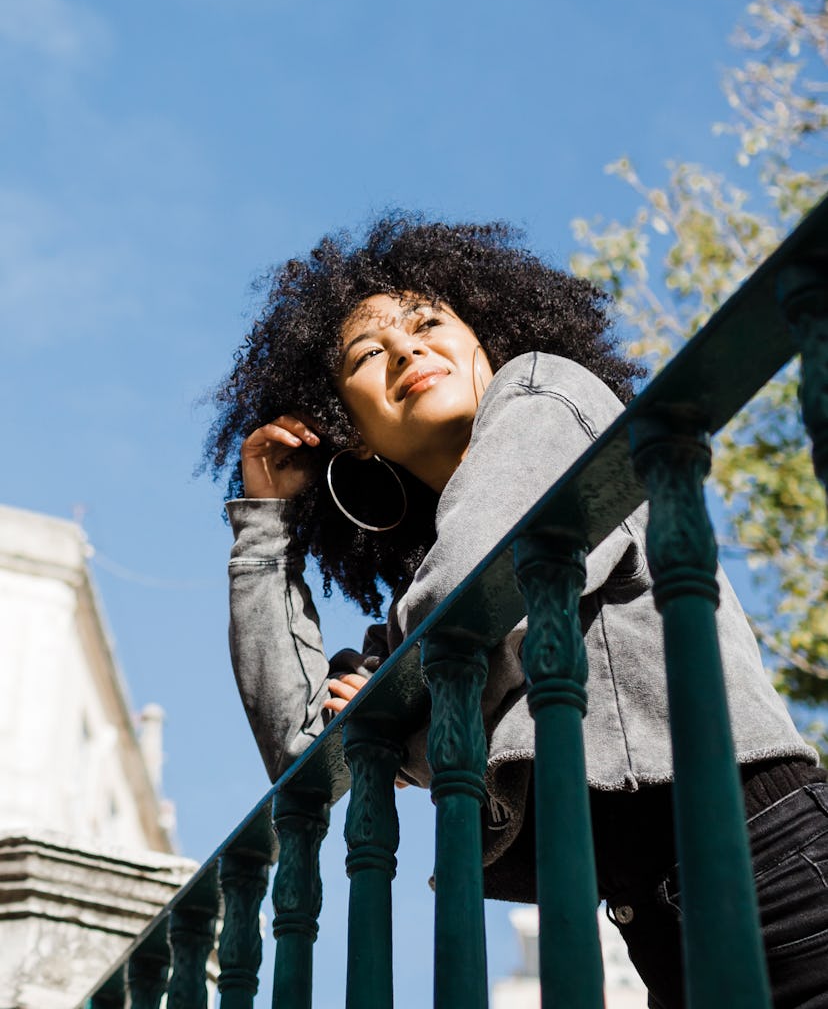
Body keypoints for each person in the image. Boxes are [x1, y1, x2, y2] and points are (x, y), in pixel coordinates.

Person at [206, 214, 828, 1008]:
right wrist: (269, 532)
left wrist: (408, 731)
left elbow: (479, 587)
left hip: (767, 859)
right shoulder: (425, 606)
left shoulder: (543, 393)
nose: (403, 349)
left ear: (485, 345)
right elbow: (307, 746)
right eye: (368, 355)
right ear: (352, 438)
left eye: (428, 322)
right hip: (659, 921)